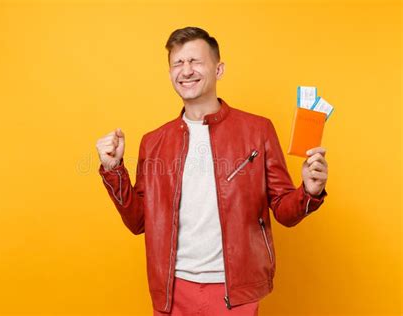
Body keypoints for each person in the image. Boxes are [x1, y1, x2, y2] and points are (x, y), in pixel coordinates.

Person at [95, 26, 328, 316]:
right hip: (172, 291)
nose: (186, 70)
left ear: (218, 70)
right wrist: (114, 170)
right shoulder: (153, 142)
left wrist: (309, 192)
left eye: (195, 61)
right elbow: (139, 221)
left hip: (235, 292)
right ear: (170, 75)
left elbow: (283, 211)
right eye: (178, 63)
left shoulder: (258, 130)